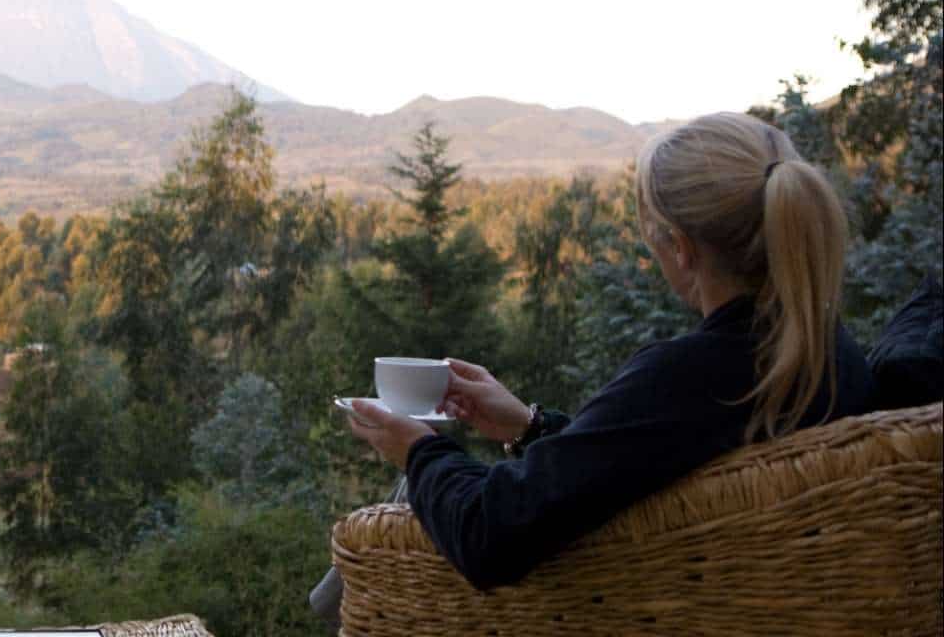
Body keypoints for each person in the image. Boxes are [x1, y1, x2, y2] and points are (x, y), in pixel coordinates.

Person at [341, 111, 878, 591]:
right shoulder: (829, 355)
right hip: (777, 601)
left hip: (640, 605)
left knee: (405, 498)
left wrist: (418, 450)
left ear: (682, 250)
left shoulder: (689, 375)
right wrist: (530, 427)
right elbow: (643, 461)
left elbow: (491, 537)